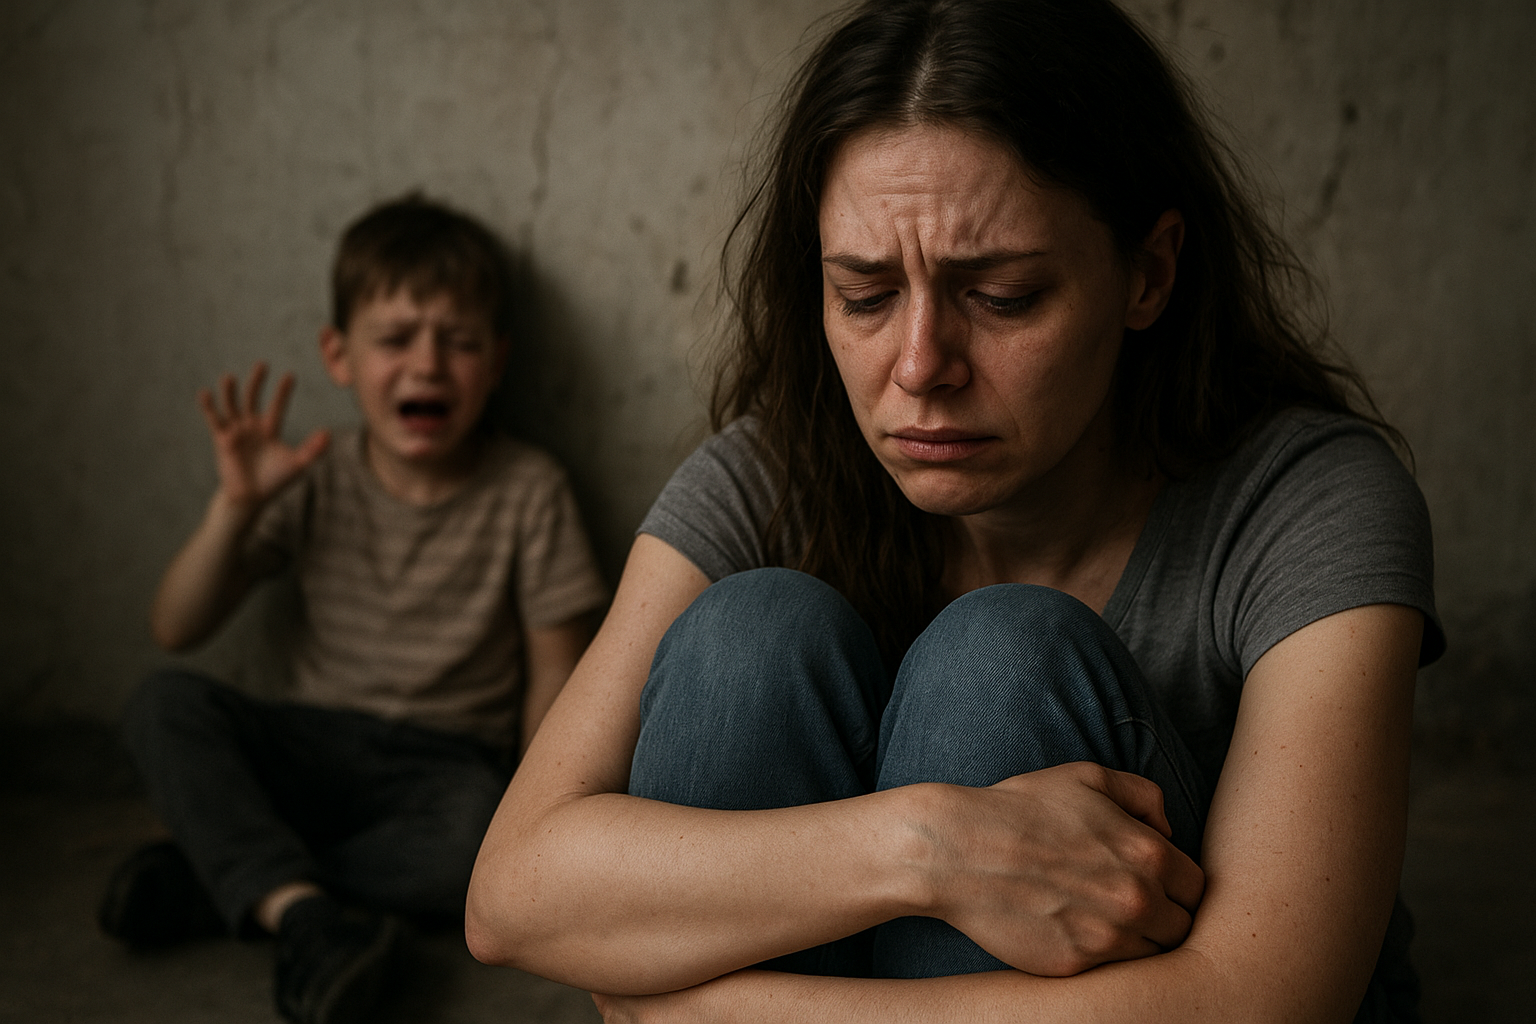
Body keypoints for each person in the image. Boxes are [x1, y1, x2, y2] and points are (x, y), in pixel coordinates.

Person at [465, 0, 1442, 1020]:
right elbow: (513, 895)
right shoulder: (773, 472)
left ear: (1147, 273)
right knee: (747, 638)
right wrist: (930, 844)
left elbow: (1267, 994)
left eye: (1004, 295)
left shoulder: (1311, 500)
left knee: (1000, 662)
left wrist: (706, 1007)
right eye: (866, 294)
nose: (921, 367)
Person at [98, 195, 608, 1024]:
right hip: (310, 748)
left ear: (499, 360)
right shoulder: (317, 473)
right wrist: (234, 509)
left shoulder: (529, 489)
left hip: (443, 773)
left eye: (460, 341)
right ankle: (304, 912)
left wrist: (535, 821)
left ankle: (245, 884)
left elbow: (557, 672)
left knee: (481, 839)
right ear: (338, 354)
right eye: (396, 339)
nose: (428, 364)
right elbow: (176, 626)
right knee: (164, 703)